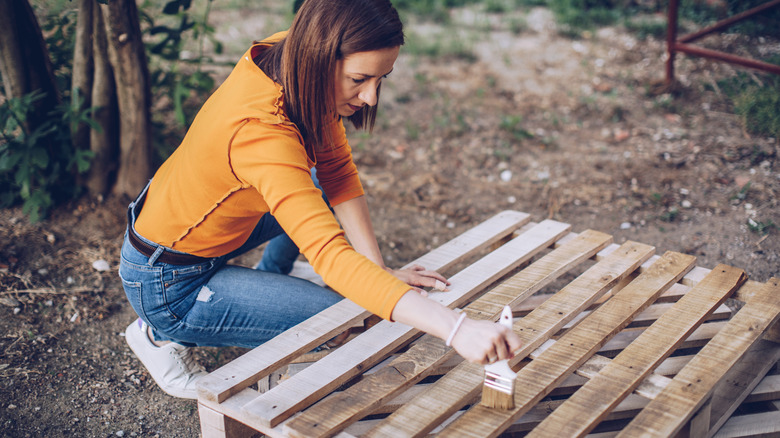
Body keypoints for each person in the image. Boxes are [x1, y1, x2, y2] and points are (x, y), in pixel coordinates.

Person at [119, 0, 522, 400]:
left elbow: (337, 175)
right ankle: (159, 335)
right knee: (341, 320)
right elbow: (331, 254)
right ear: (319, 57)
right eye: (359, 80)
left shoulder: (290, 60)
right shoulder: (261, 133)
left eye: (381, 79)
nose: (371, 98)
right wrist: (457, 328)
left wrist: (376, 271)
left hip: (197, 226)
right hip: (168, 282)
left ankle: (270, 277)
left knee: (312, 183)